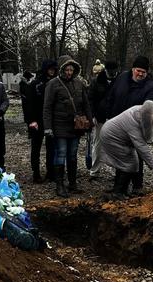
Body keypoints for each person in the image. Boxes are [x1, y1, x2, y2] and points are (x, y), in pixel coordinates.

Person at [106, 55, 153, 195]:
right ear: (133, 69)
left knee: (137, 155)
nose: (140, 74)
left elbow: (151, 107)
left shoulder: (150, 86)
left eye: (143, 72)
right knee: (122, 154)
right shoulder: (122, 78)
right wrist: (108, 116)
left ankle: (137, 185)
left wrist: (146, 126)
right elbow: (111, 96)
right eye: (138, 70)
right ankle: (119, 186)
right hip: (118, 122)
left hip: (136, 124)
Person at [101, 100, 153, 199]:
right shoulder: (134, 122)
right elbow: (142, 147)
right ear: (150, 119)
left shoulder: (143, 112)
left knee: (127, 163)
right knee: (130, 163)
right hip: (111, 137)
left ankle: (121, 190)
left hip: (117, 135)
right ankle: (118, 193)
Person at [43, 58, 92, 198]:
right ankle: (59, 185)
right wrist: (48, 127)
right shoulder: (53, 84)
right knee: (61, 153)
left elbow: (86, 104)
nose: (69, 72)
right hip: (59, 125)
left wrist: (89, 121)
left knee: (73, 154)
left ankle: (72, 183)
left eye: (71, 70)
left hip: (75, 126)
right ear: (62, 69)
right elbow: (47, 107)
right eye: (67, 69)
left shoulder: (79, 83)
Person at [23, 60, 58, 183]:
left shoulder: (56, 83)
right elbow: (29, 104)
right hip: (37, 119)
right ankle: (36, 173)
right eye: (50, 68)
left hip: (51, 120)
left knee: (51, 147)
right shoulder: (35, 84)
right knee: (36, 148)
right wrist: (31, 120)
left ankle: (51, 172)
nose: (52, 71)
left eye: (54, 69)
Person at [87, 60, 119, 178]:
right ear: (105, 70)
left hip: (116, 117)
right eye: (110, 72)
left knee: (116, 145)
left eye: (114, 72)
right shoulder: (96, 81)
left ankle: (117, 171)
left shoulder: (119, 81)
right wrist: (93, 116)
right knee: (98, 144)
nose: (112, 73)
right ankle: (94, 170)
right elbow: (90, 99)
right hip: (100, 117)